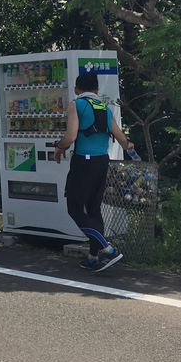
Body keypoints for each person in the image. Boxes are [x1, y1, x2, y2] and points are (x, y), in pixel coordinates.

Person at [53, 71, 134, 272]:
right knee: (94, 208)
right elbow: (122, 139)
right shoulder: (105, 108)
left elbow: (71, 136)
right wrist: (130, 147)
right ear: (97, 90)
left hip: (84, 162)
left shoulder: (76, 105)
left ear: (76, 89)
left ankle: (108, 249)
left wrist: (59, 146)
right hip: (101, 162)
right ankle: (92, 258)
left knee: (74, 207)